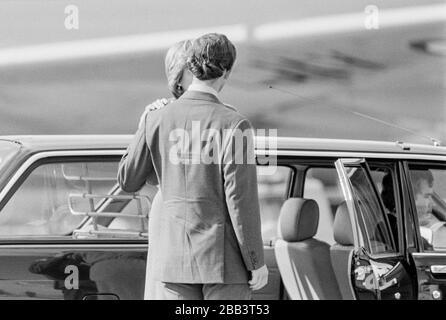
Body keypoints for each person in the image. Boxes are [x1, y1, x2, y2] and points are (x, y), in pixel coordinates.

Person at [118, 33, 268, 300]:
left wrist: (144, 126)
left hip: (173, 266)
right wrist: (256, 261)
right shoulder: (235, 124)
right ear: (225, 72)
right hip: (224, 266)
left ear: (193, 66)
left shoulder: (156, 119)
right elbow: (241, 200)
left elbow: (128, 181)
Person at [410, 170, 446, 248]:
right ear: (410, 198)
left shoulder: (388, 230)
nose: (432, 203)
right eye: (426, 196)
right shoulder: (412, 240)